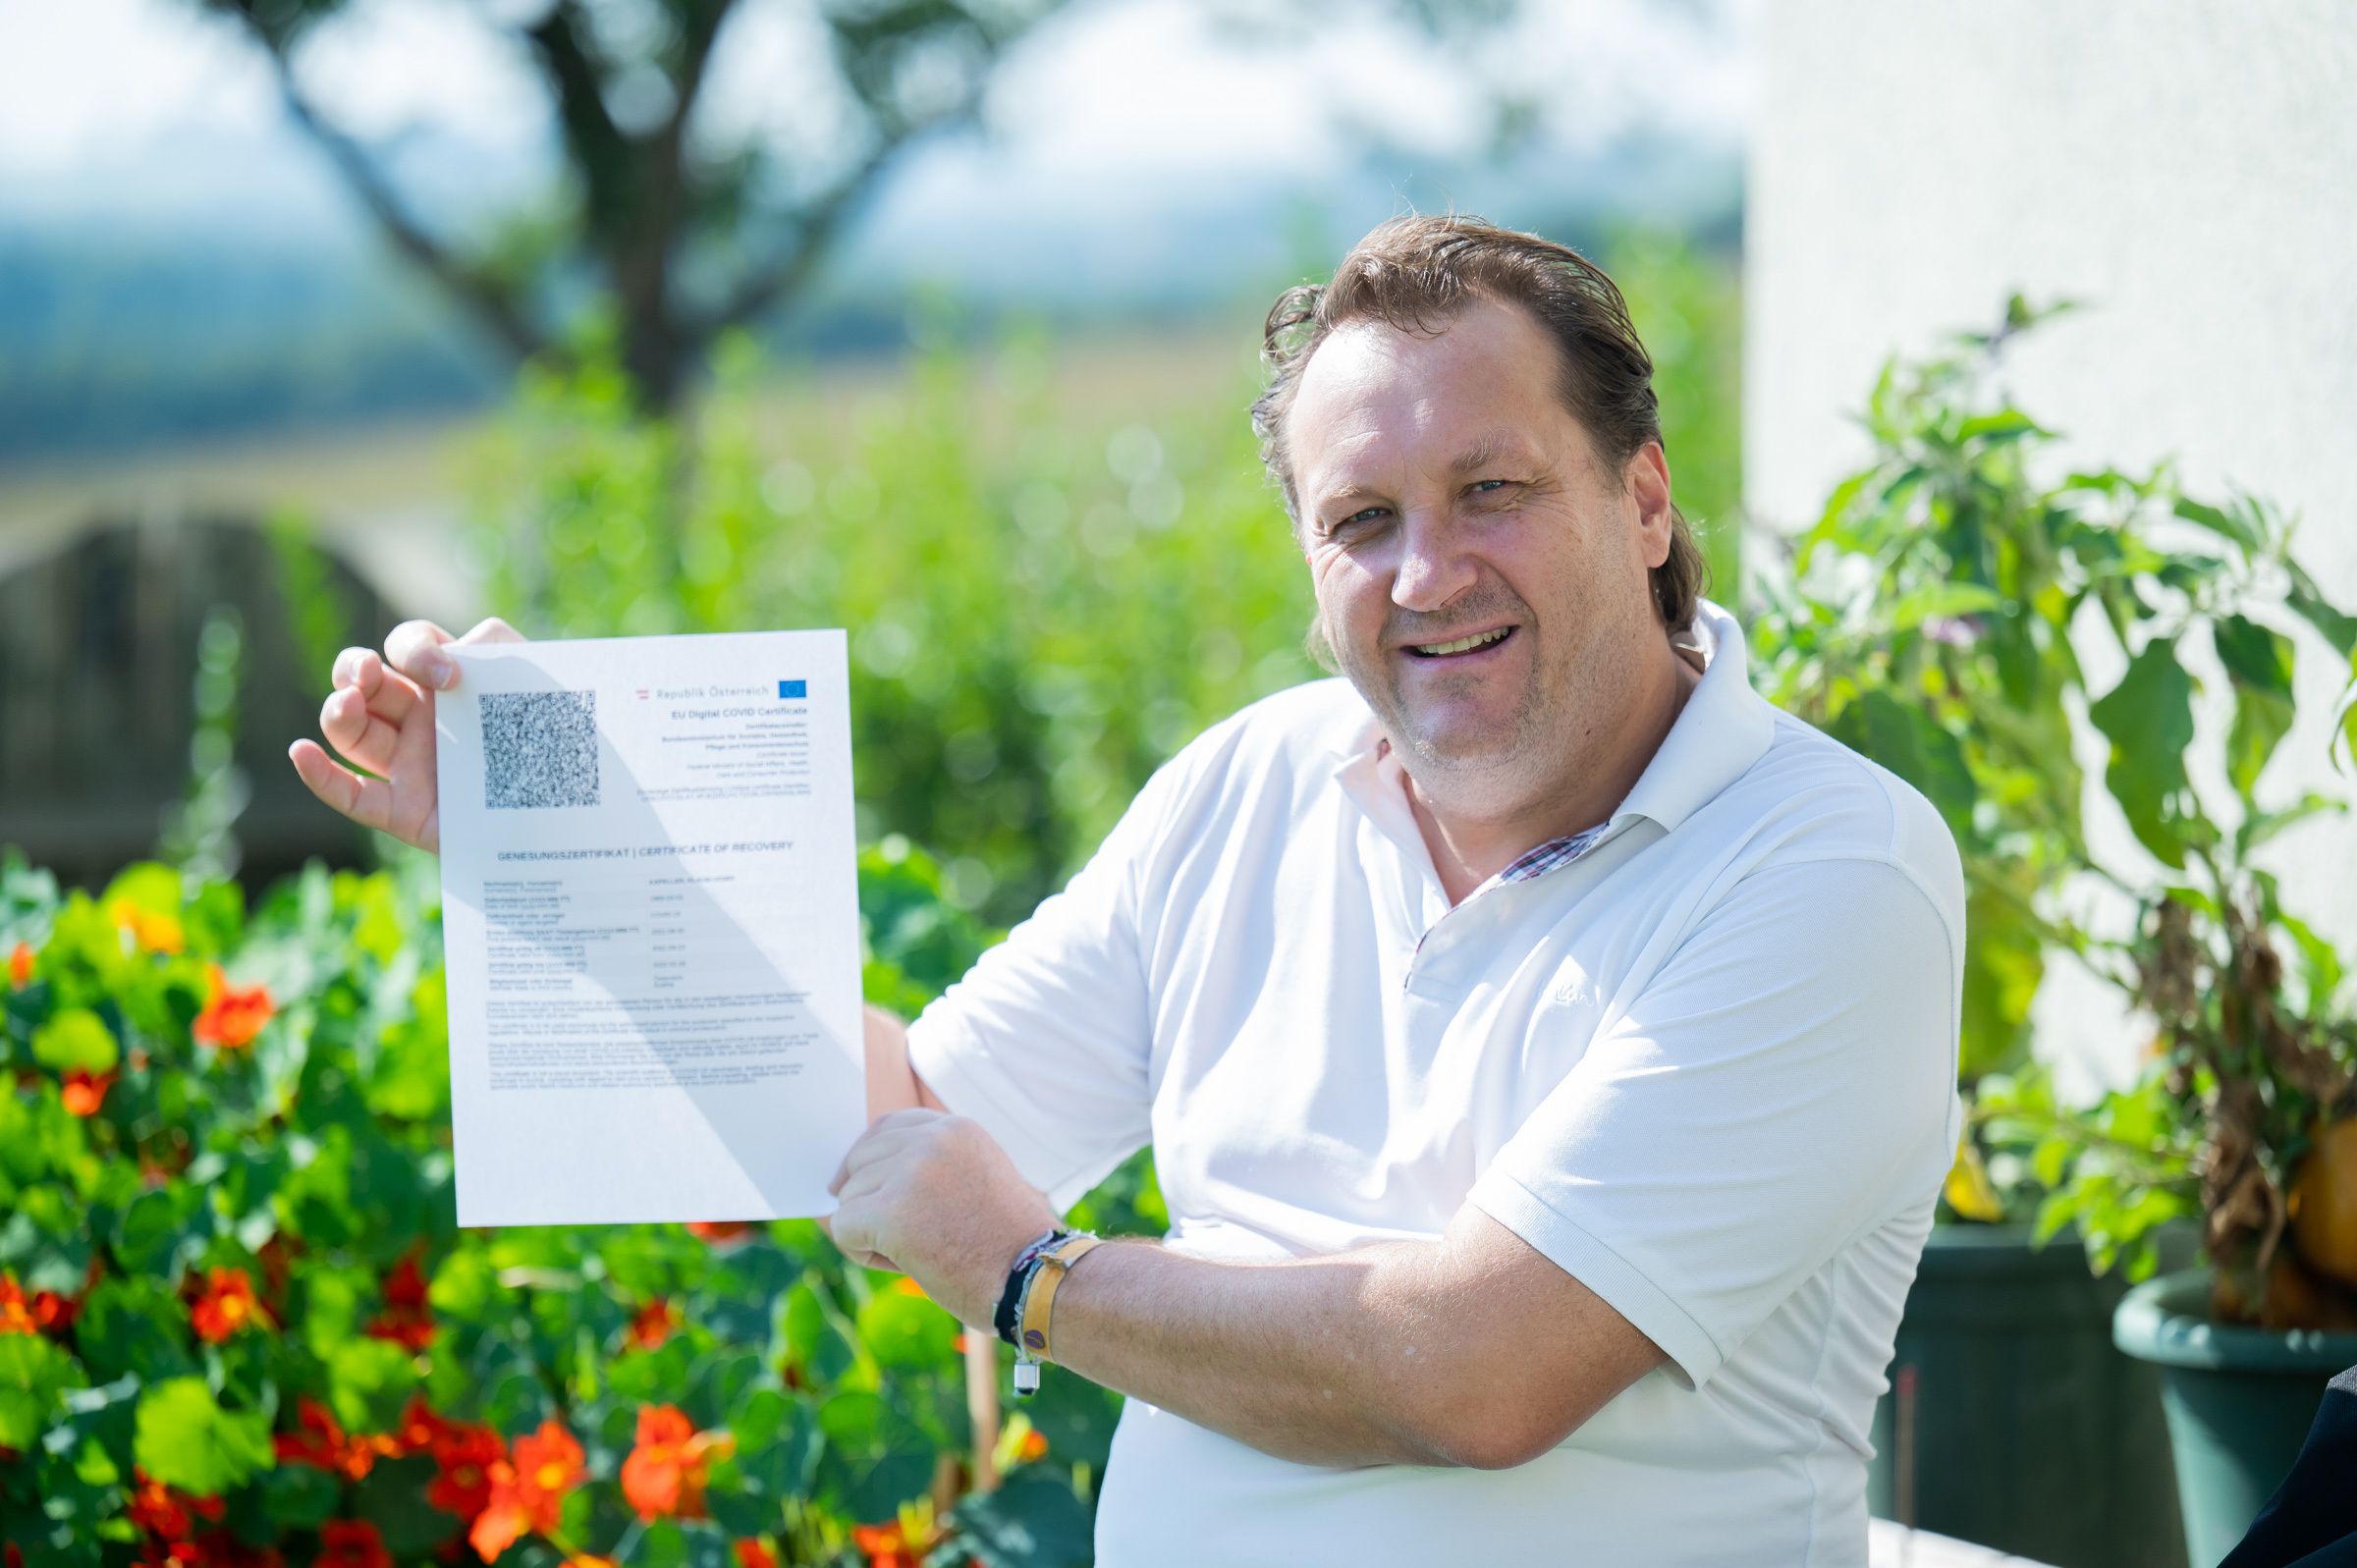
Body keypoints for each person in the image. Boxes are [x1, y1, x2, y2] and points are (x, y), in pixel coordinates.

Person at [291, 215, 1964, 1566]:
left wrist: (1032, 1277)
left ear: (1648, 499)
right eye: (1360, 518)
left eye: (1492, 489)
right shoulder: (1252, 785)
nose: (1426, 572)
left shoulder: (1825, 866)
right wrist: (560, 850)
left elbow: (1478, 1371)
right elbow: (905, 1120)